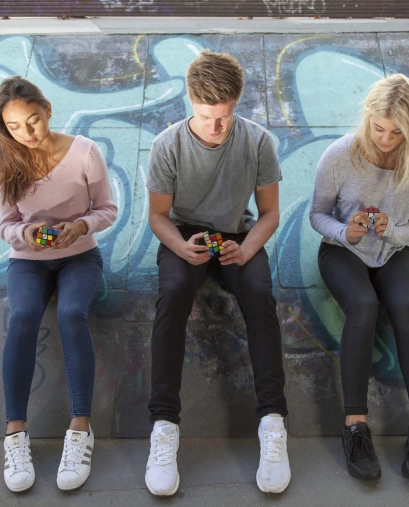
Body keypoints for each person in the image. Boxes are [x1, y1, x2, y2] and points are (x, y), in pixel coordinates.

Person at [144, 50, 290, 495]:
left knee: (260, 295)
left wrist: (246, 249)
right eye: (207, 116)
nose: (216, 127)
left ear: (237, 104)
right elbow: (158, 217)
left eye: (224, 116)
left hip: (237, 234)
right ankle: (164, 426)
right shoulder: (167, 145)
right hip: (184, 234)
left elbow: (269, 213)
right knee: (172, 294)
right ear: (191, 102)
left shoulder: (258, 142)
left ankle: (273, 423)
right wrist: (180, 247)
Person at [0, 76, 117, 492]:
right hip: (28, 261)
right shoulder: (3, 165)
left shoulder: (84, 152)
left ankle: (80, 428)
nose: (26, 133)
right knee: (23, 315)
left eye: (33, 120)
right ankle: (15, 433)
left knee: (71, 312)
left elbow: (108, 209)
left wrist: (81, 225)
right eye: (13, 126)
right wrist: (23, 234)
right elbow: (6, 226)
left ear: (47, 109)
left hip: (80, 256)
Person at [309, 74, 409, 481]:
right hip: (341, 251)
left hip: (393, 251)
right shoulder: (339, 155)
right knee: (363, 306)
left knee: (406, 308)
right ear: (368, 117)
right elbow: (318, 215)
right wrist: (344, 231)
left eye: (397, 132)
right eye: (379, 128)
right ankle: (355, 427)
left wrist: (392, 231)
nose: (386, 139)